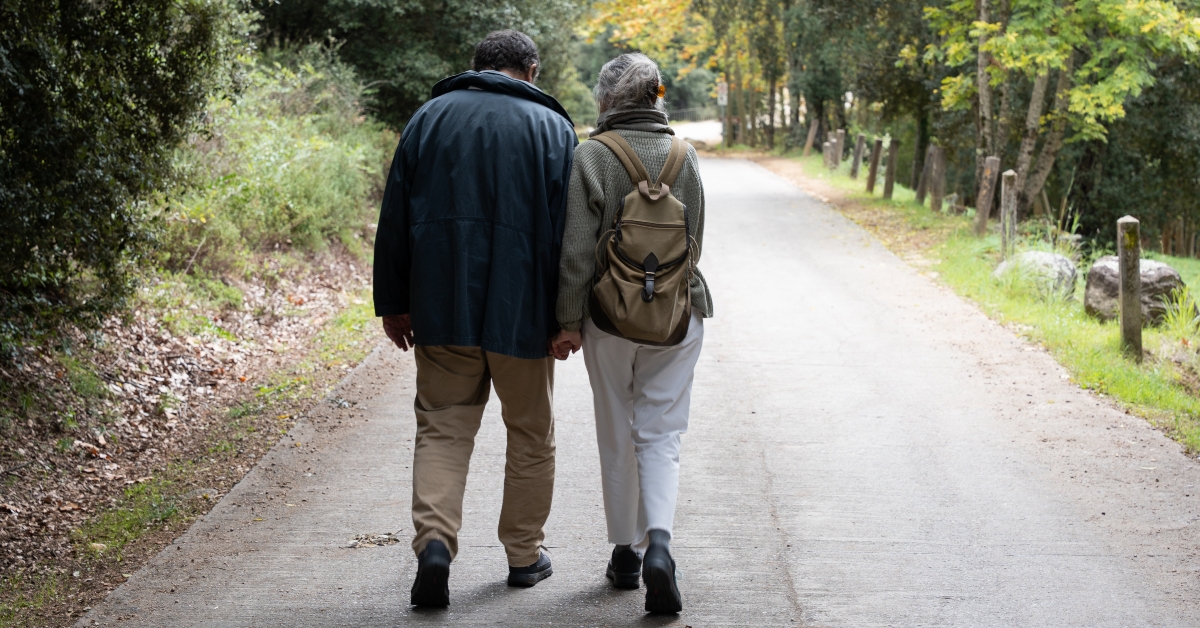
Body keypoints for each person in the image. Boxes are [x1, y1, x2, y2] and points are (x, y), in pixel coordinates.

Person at [373, 30, 577, 607]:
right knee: (531, 433)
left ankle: (435, 543)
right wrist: (568, 315)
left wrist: (393, 301)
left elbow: (394, 214)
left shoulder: (429, 118)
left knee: (442, 425)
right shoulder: (554, 129)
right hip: (525, 313)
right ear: (530, 70)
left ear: (477, 67)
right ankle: (522, 554)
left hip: (443, 304)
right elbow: (570, 234)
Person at [551, 53, 712, 614]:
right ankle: (660, 545)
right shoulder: (683, 156)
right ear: (657, 96)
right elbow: (693, 241)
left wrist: (568, 323)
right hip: (676, 315)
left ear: (605, 100)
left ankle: (626, 554)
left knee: (616, 427)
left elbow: (575, 250)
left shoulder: (591, 156)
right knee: (662, 433)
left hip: (610, 318)